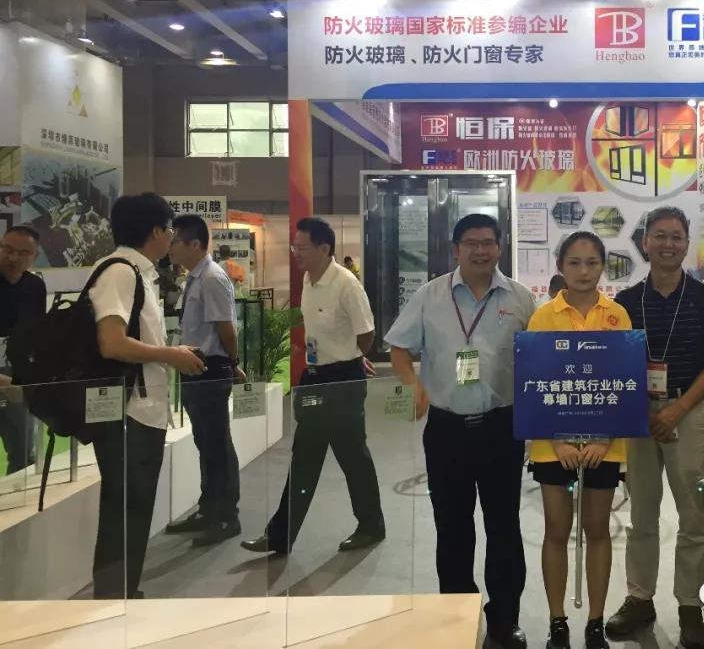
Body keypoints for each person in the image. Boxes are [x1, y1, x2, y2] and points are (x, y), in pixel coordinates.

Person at [386, 214, 535, 649]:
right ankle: (456, 615)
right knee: (452, 528)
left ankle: (504, 622)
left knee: (504, 527)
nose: (480, 250)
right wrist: (412, 384)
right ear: (455, 249)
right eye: (471, 243)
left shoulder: (521, 299)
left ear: (500, 248)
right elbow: (398, 348)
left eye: (488, 242)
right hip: (446, 430)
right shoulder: (430, 296)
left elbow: (542, 355)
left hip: (502, 429)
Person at [605, 207, 704, 649]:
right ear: (645, 242)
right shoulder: (625, 302)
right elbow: (616, 361)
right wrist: (641, 407)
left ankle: (690, 608)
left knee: (693, 517)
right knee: (641, 514)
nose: (668, 244)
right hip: (638, 415)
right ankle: (640, 599)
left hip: (689, 412)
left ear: (686, 243)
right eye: (659, 236)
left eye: (676, 236)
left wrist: (678, 408)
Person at [241, 217, 384, 555]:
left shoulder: (346, 284)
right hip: (316, 378)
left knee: (351, 457)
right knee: (308, 456)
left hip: (343, 382)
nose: (296, 253)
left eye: (301, 247)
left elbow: (366, 335)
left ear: (324, 248)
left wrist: (351, 359)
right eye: (294, 247)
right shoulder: (308, 279)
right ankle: (281, 536)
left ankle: (369, 526)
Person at [90, 193, 206, 598]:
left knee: (134, 509)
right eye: (169, 230)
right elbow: (111, 343)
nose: (171, 238)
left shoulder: (138, 273)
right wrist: (170, 355)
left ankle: (123, 593)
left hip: (142, 410)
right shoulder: (120, 273)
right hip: (128, 413)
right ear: (156, 231)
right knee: (125, 510)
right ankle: (113, 599)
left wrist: (169, 353)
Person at [527, 232, 631, 649]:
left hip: (605, 444)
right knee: (556, 529)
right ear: (560, 267)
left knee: (597, 529)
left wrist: (604, 439)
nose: (584, 271)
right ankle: (557, 621)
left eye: (592, 263)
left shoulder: (617, 315)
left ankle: (595, 621)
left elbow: (624, 382)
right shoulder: (543, 317)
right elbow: (534, 384)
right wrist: (558, 442)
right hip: (552, 444)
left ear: (603, 266)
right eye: (574, 263)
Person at [165, 215, 244, 546]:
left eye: (174, 240)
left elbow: (226, 329)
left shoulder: (212, 278)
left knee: (217, 444)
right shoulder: (193, 278)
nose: (169, 246)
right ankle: (208, 508)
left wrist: (232, 364)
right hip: (194, 370)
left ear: (194, 244)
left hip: (211, 369)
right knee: (205, 443)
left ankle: (227, 516)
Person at [0, 226, 47, 474]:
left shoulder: (35, 286)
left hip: (17, 374)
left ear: (34, 256)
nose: (13, 257)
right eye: (7, 249)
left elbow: (36, 336)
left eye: (23, 253)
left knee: (25, 450)